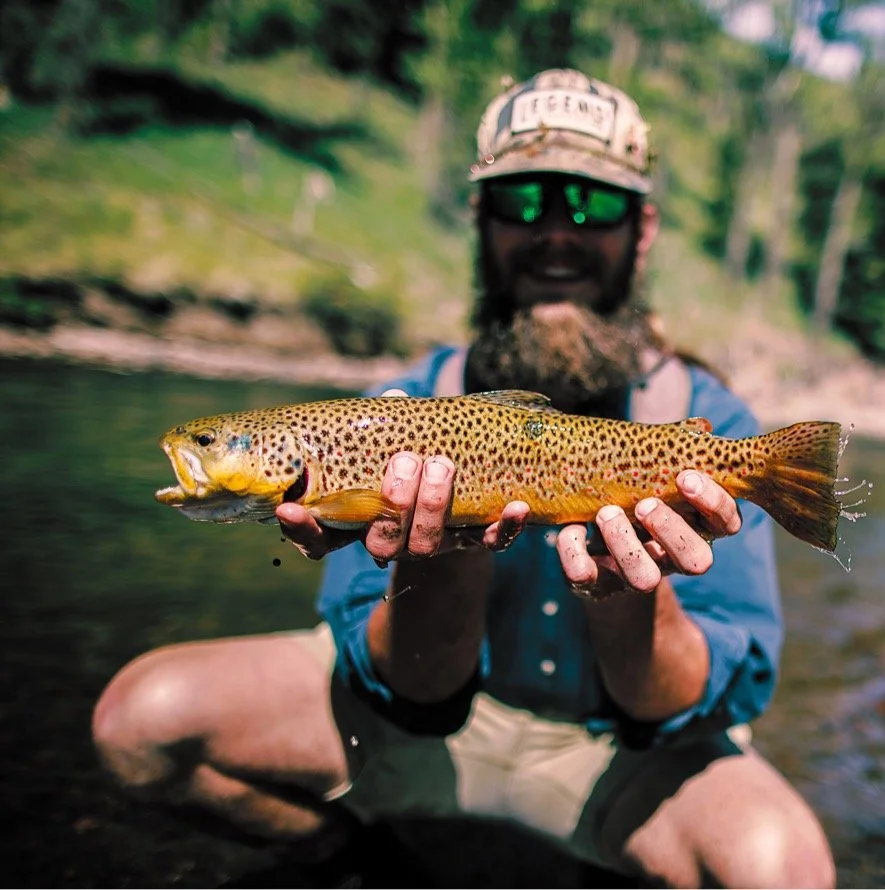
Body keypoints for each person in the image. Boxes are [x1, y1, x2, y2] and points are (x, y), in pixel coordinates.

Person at [92, 68, 836, 888]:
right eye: (523, 202)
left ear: (643, 228)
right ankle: (349, 859)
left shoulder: (717, 428)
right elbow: (402, 689)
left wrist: (634, 599)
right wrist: (437, 558)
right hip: (415, 735)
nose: (557, 231)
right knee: (142, 721)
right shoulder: (395, 408)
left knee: (785, 869)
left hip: (619, 759)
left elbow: (725, 693)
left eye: (592, 204)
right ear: (481, 217)